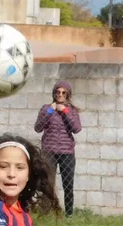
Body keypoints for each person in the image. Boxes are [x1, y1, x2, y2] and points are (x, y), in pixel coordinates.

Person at [34, 81, 82, 218]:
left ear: (68, 95)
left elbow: (77, 128)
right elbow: (38, 128)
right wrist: (50, 111)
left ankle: (69, 214)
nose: (60, 95)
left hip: (67, 152)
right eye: (57, 92)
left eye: (63, 93)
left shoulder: (71, 111)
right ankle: (45, 214)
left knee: (68, 184)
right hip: (49, 151)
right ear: (54, 93)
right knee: (47, 183)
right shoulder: (46, 109)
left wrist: (65, 111)